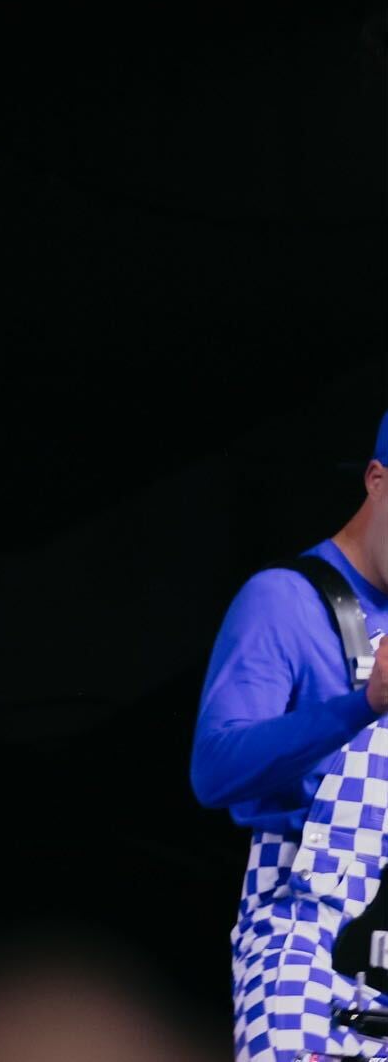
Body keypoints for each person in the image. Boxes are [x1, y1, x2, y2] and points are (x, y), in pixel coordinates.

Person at [191, 408, 388, 1058]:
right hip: (307, 958)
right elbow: (215, 768)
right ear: (375, 479)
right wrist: (359, 704)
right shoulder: (285, 600)